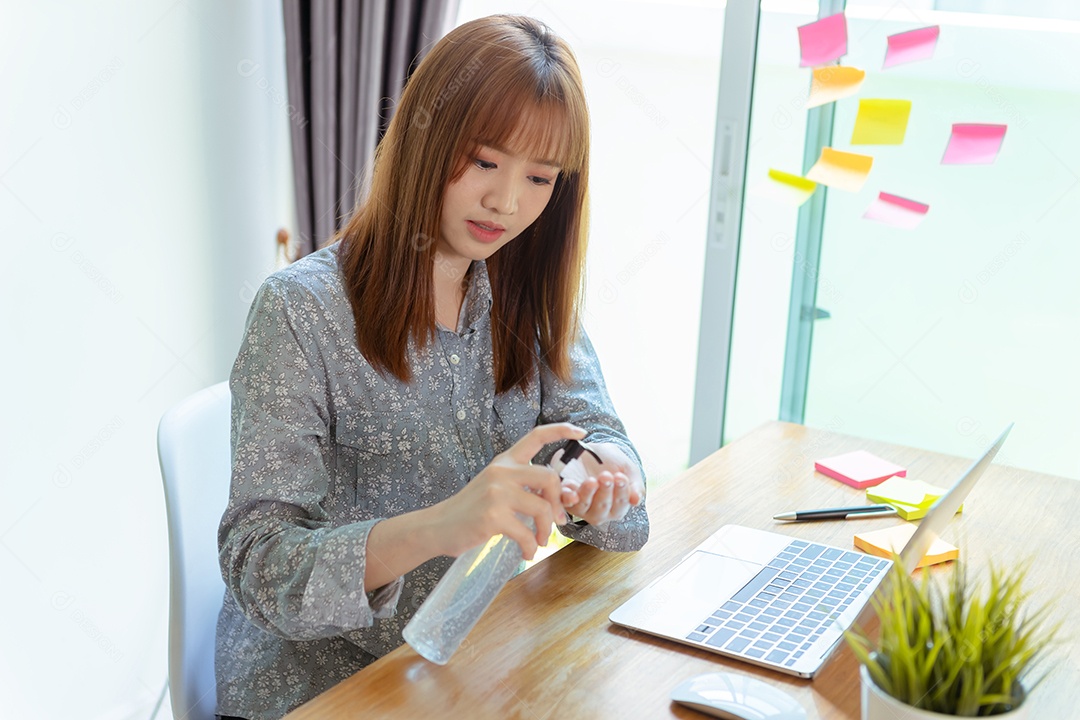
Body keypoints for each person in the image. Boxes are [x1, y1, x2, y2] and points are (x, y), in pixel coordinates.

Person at [215, 14, 649, 720]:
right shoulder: (301, 311)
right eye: (484, 161)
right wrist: (442, 526)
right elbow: (259, 567)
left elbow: (607, 448)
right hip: (317, 688)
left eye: (539, 178)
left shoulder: (526, 294)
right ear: (425, 138)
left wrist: (602, 472)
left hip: (463, 664)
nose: (507, 202)